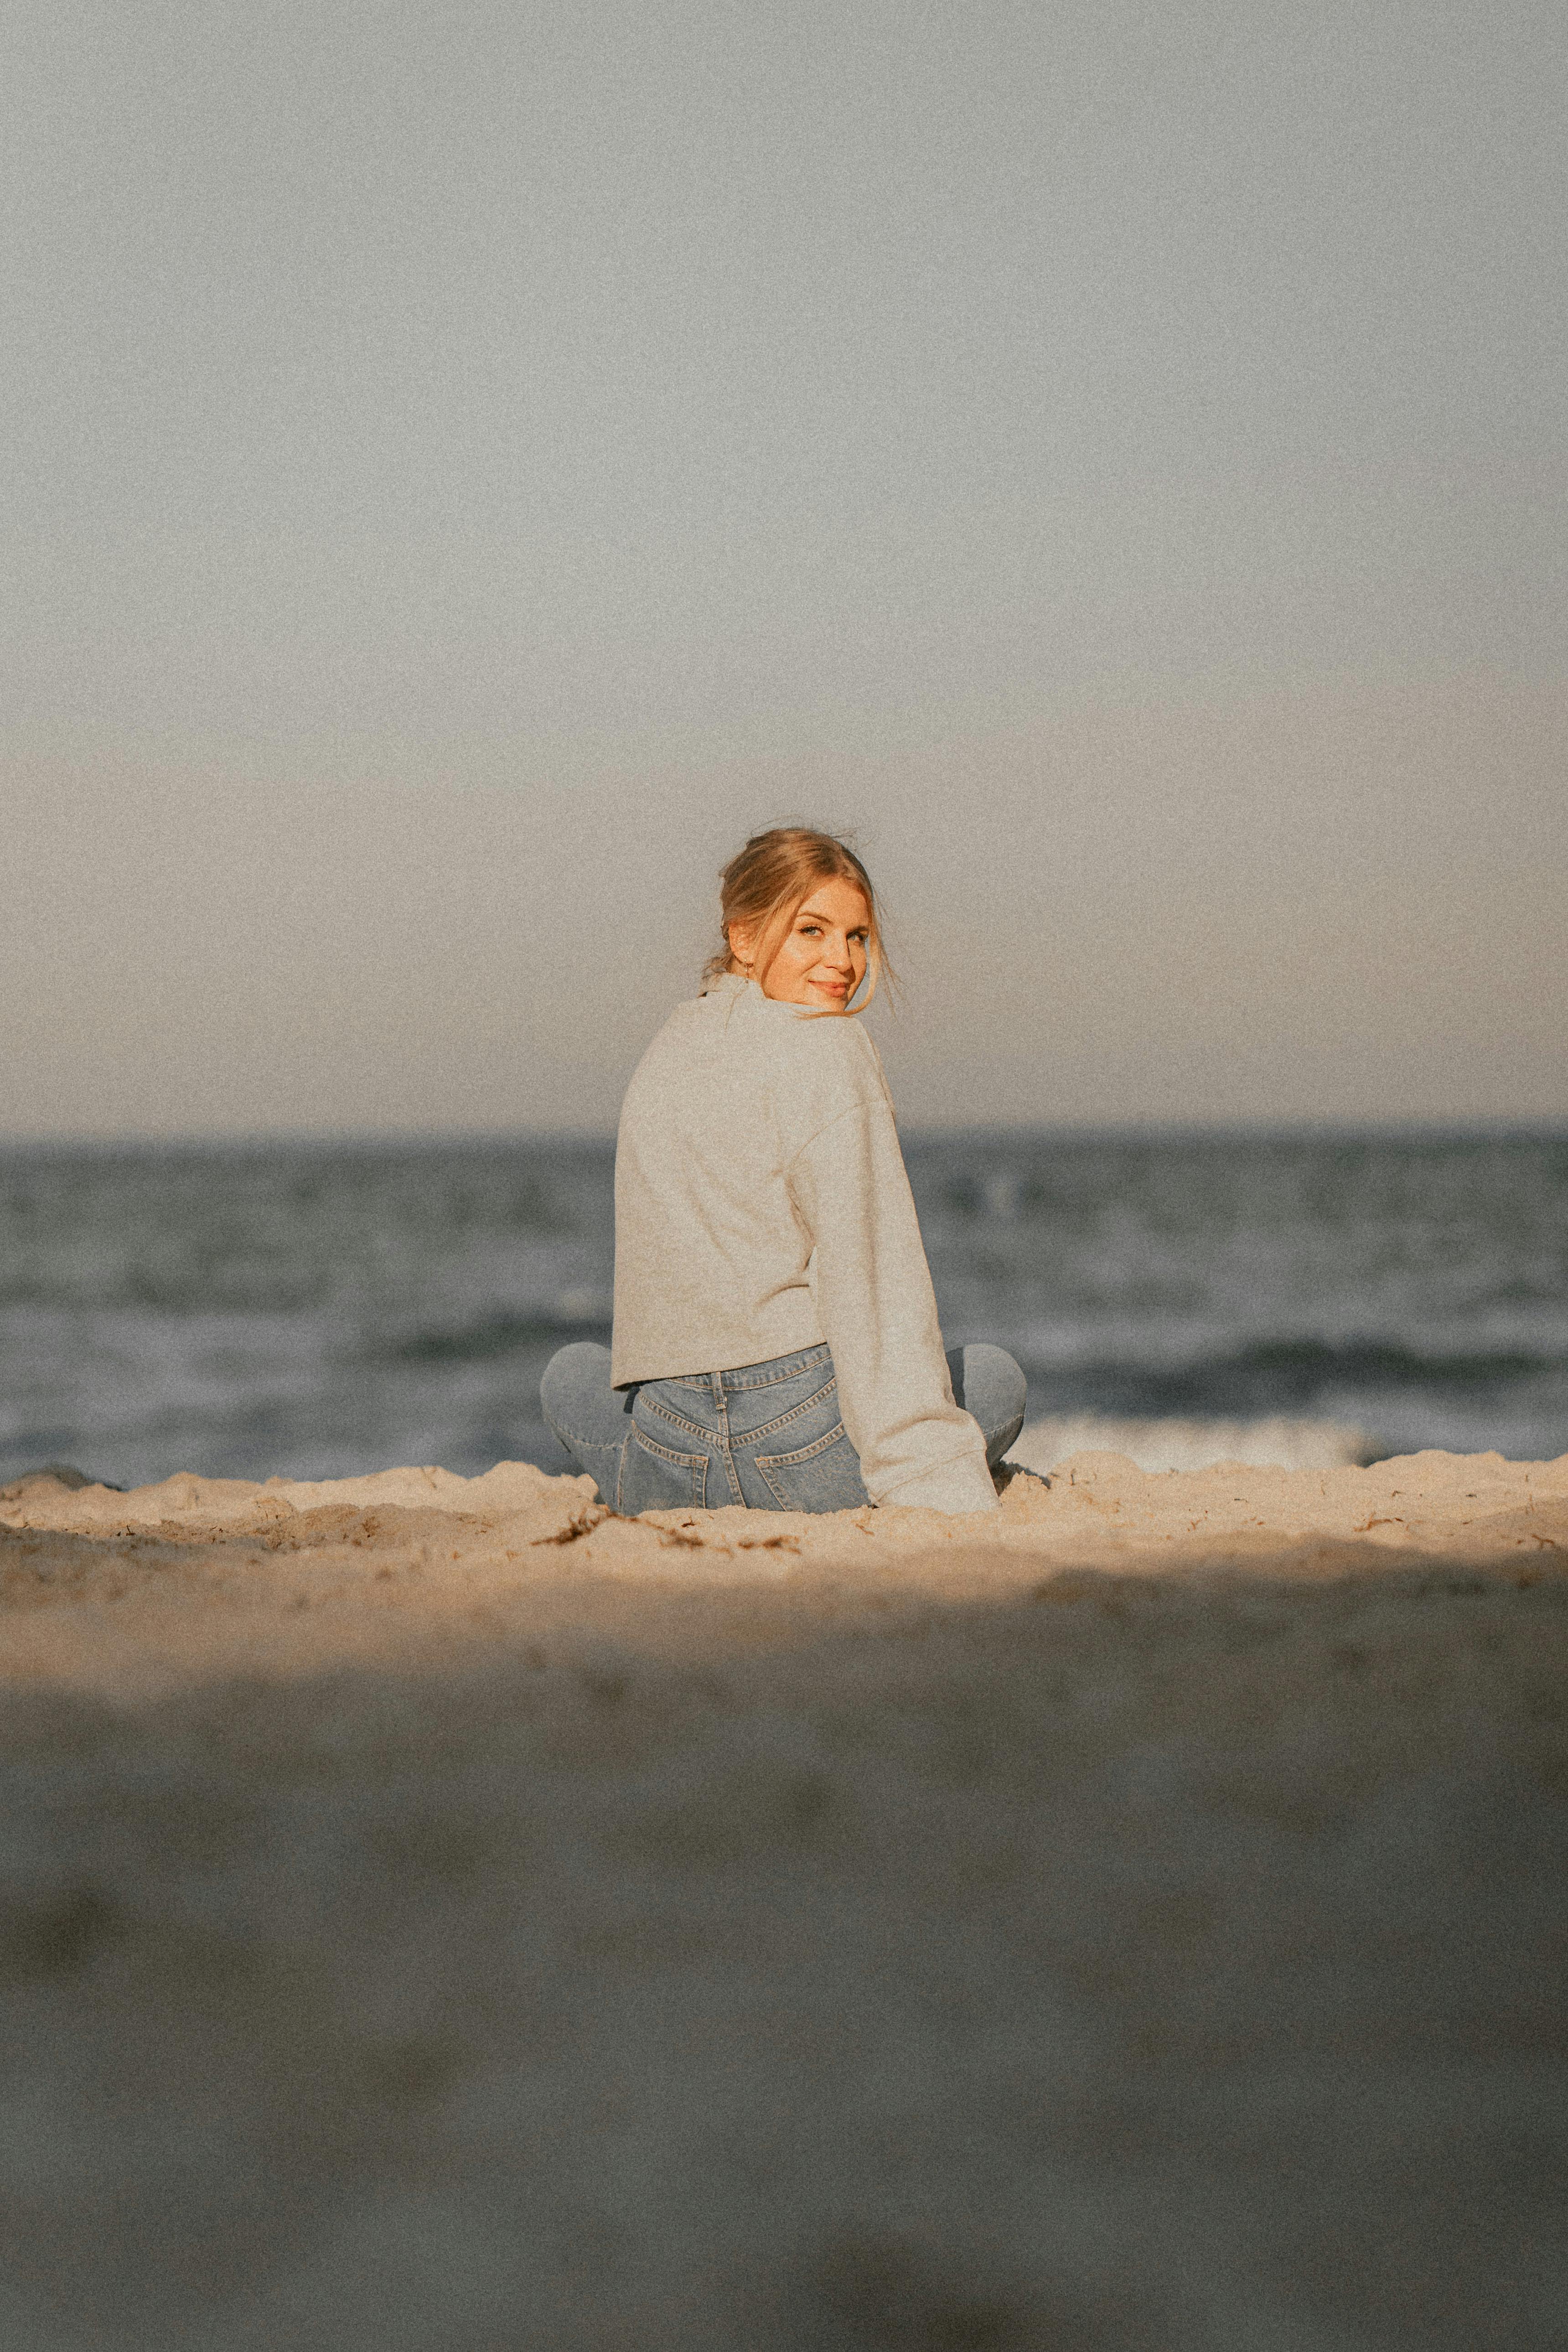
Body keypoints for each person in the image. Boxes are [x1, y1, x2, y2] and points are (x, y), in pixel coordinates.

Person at [541, 827, 1026, 1515]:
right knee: (997, 1378)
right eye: (812, 931)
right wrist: (929, 1476)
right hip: (806, 1452)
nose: (843, 961)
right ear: (743, 936)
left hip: (673, 1457)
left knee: (569, 1375)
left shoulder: (666, 1050)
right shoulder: (830, 1046)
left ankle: (646, 1478)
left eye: (857, 937)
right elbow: (873, 1276)